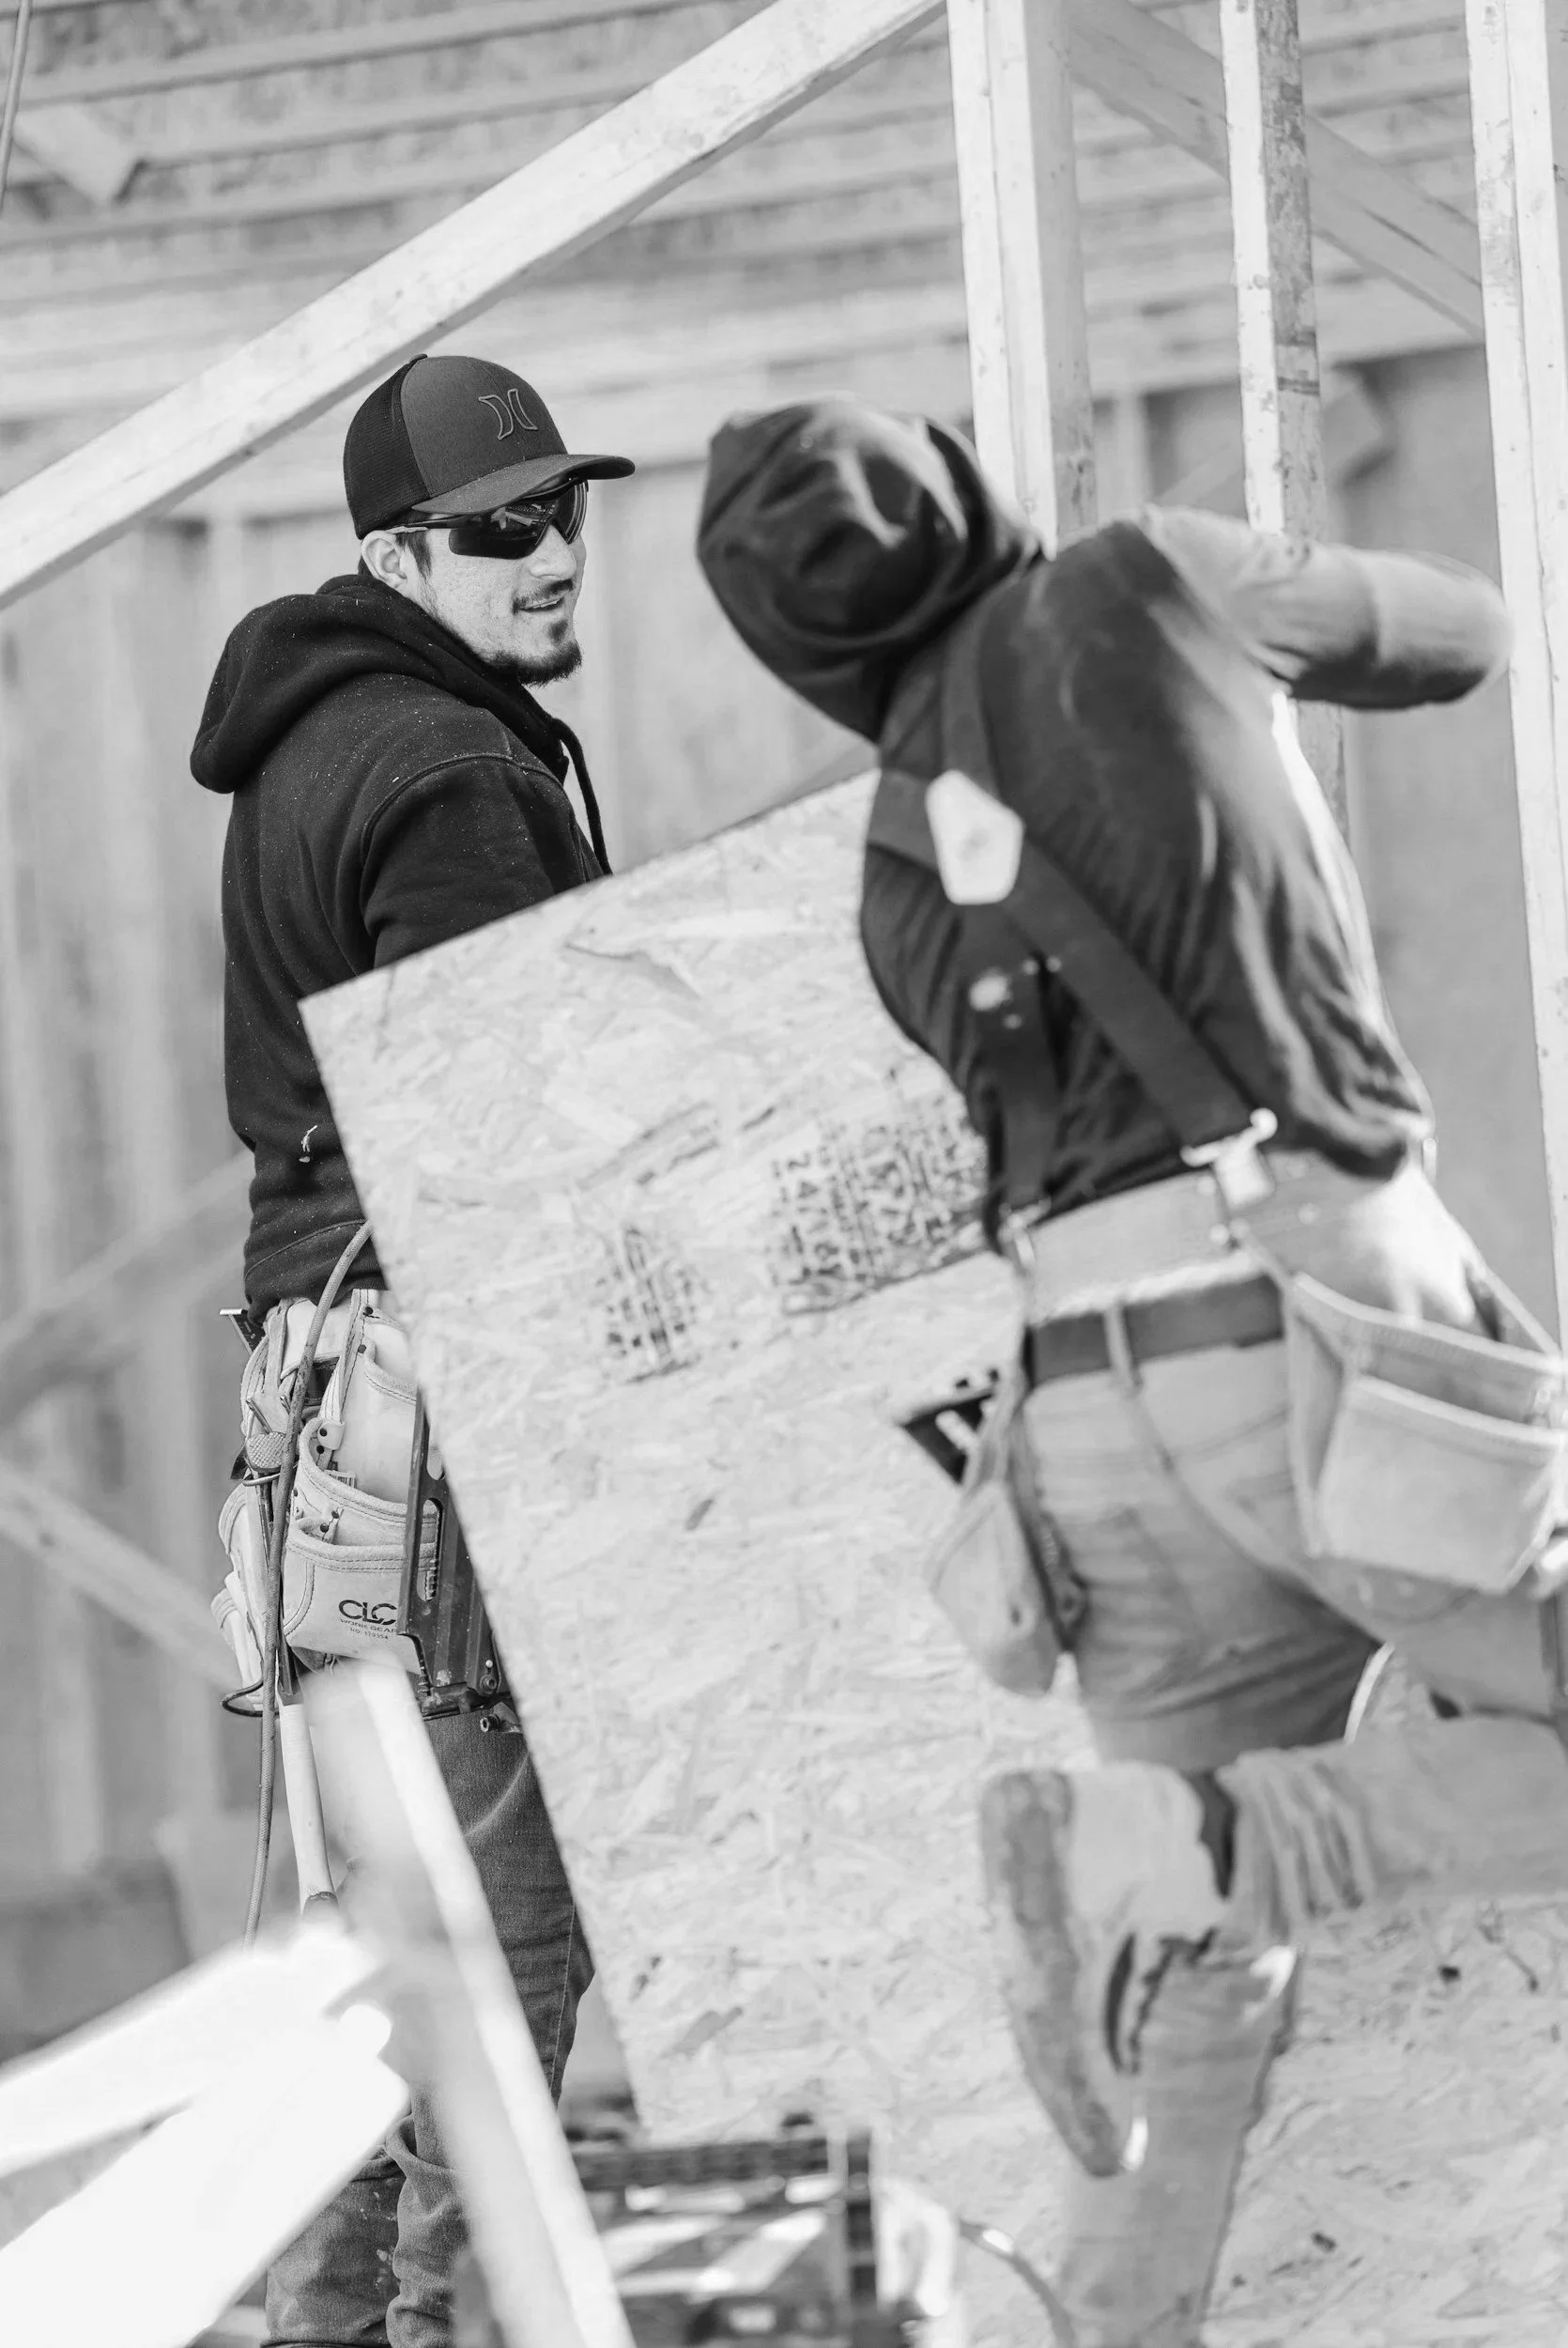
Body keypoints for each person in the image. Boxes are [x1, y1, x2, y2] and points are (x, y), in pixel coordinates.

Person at [696, 397, 1568, 2347]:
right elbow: (1460, 631)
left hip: (1079, 1414)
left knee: (1201, 1984)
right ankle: (1247, 1835)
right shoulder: (1148, 582)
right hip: (1311, 1316)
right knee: (1236, 1856)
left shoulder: (890, 876)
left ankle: (1117, 2312)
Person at [192, 353, 635, 2348]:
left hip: (320, 1409)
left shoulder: (314, 741)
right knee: (497, 1965)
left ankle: (321, 2327)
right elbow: (514, 1142)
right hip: (442, 1413)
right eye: (503, 529)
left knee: (384, 1959)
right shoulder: (451, 775)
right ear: (398, 552)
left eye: (567, 510)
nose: (552, 555)